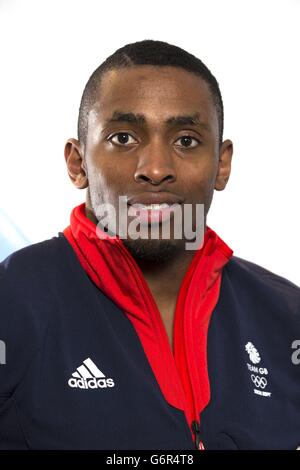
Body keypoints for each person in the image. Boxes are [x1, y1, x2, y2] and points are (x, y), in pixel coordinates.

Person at [0, 39, 299, 451]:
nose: (156, 169)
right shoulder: (10, 304)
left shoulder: (287, 318)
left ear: (222, 164)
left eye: (187, 140)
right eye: (123, 138)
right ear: (77, 161)